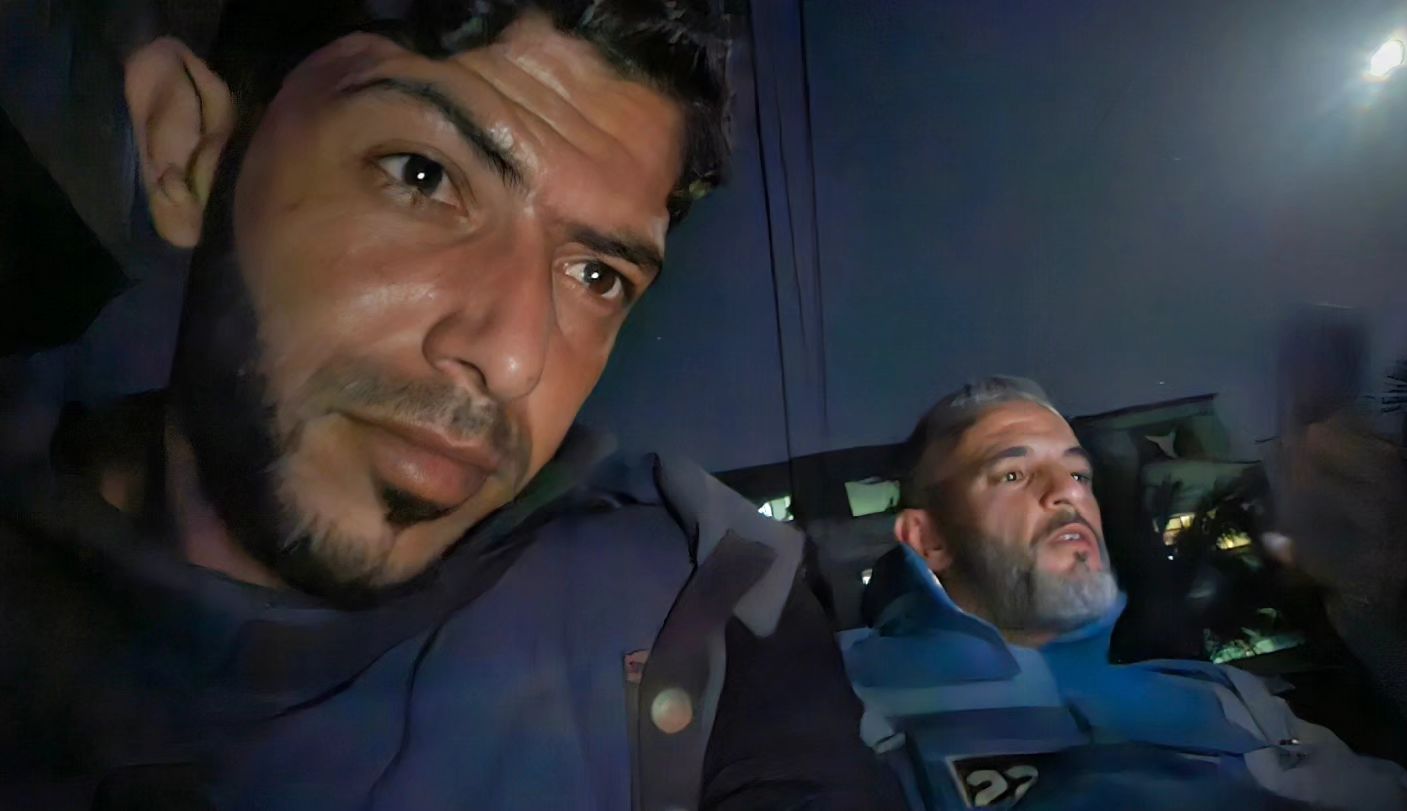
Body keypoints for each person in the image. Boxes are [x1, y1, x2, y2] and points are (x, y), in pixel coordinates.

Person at [0, 2, 902, 809]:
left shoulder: (698, 606)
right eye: (423, 176)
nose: (512, 358)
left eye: (597, 276)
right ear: (188, 151)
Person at [841, 376, 1407, 810]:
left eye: (1078, 473)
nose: (1066, 493)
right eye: (1013, 474)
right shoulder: (840, 709)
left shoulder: (1227, 698)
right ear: (929, 539)